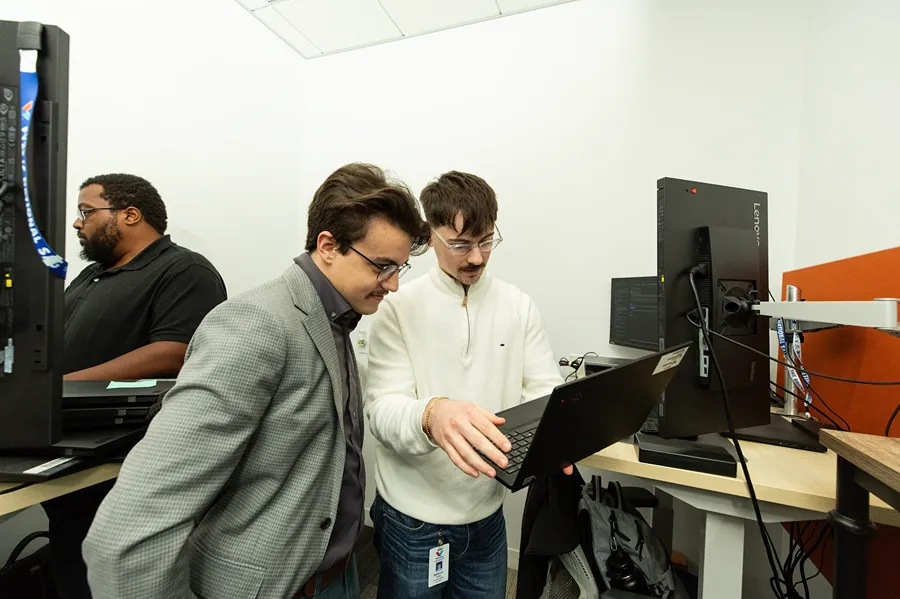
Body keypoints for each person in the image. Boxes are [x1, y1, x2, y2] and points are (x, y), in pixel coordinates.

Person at [82, 163, 430, 599]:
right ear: (327, 245)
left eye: (399, 268)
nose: (393, 285)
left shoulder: (336, 319)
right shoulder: (257, 324)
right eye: (382, 267)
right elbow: (129, 531)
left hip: (333, 569)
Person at [364, 171, 567, 598]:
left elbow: (545, 392)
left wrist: (560, 434)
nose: (476, 257)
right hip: (412, 520)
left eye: (486, 241)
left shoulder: (518, 305)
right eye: (460, 245)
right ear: (430, 237)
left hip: (487, 515)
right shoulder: (397, 307)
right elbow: (381, 411)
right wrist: (432, 414)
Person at [43, 173, 228, 599]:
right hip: (69, 450)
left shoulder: (184, 269)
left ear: (130, 214)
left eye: (87, 211)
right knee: (73, 564)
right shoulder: (91, 276)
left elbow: (176, 351)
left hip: (125, 461)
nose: (78, 223)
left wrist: (60, 386)